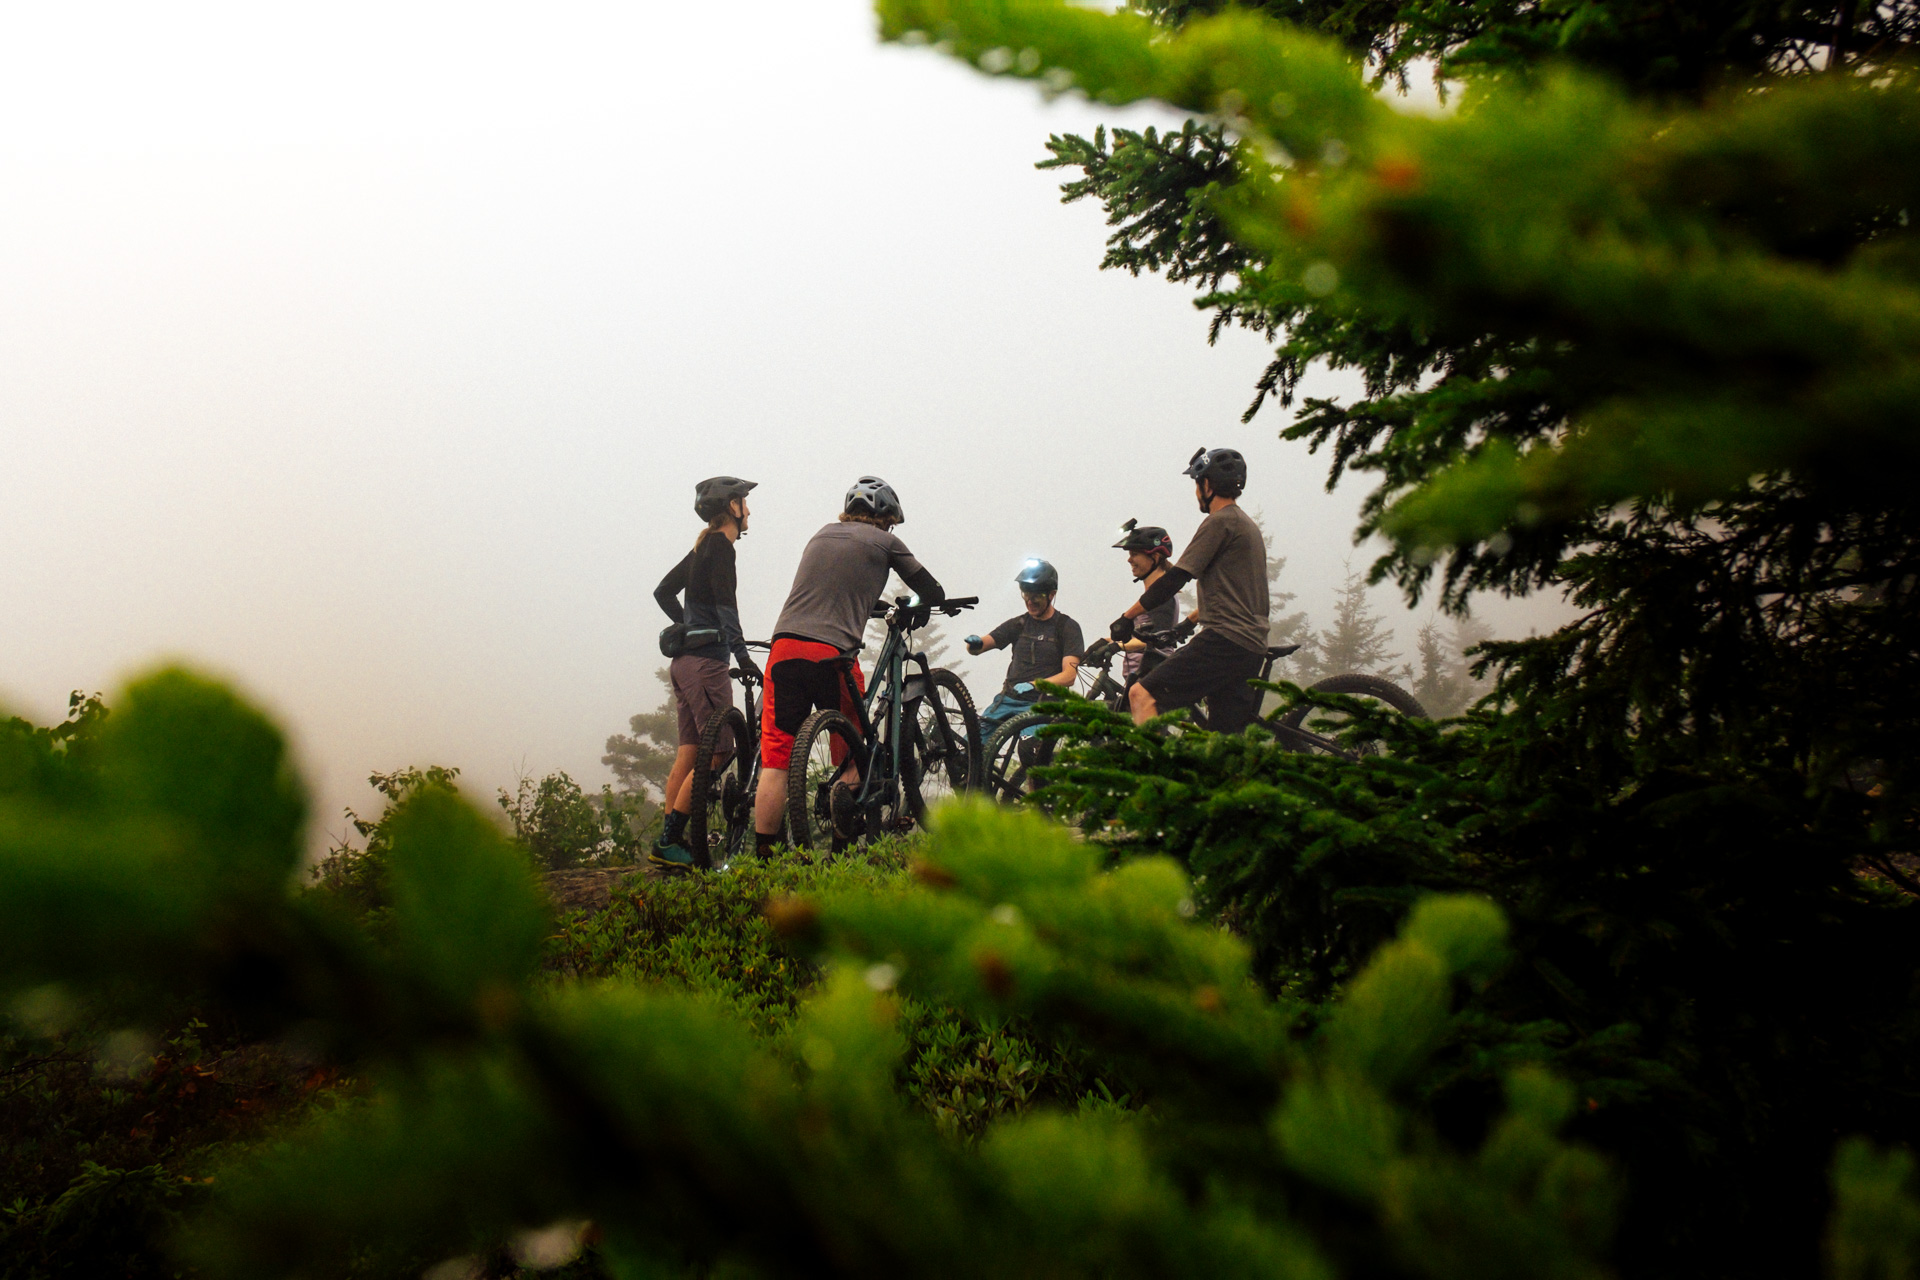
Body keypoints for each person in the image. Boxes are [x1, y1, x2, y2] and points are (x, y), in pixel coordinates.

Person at [751, 476, 945, 856]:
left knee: (776, 760)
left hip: (784, 648)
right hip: (832, 654)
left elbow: (833, 589)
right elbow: (932, 592)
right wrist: (916, 608)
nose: (890, 528)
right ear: (884, 516)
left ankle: (763, 860)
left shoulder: (821, 535)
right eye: (890, 521)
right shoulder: (887, 541)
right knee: (859, 750)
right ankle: (841, 844)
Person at [1110, 448, 1270, 733]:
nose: (1196, 492)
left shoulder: (1219, 522)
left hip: (1224, 641)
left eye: (1197, 484)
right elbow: (1233, 596)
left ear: (1207, 485)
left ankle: (1149, 774)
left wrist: (1126, 617)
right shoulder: (1247, 527)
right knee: (1221, 742)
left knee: (1140, 694)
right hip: (1250, 645)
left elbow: (1176, 578)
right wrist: (1186, 625)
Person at [651, 475, 761, 871]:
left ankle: (671, 842)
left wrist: (687, 628)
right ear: (732, 507)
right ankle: (669, 841)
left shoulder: (701, 547)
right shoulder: (720, 548)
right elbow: (726, 604)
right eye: (744, 502)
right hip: (707, 664)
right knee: (721, 749)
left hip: (682, 664)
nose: (748, 510)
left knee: (691, 751)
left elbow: (663, 590)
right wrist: (742, 655)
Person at [965, 559, 1084, 739]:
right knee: (969, 747)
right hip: (1007, 700)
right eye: (1025, 594)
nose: (1030, 600)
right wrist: (974, 644)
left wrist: (1034, 685)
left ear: (1051, 594)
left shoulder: (1067, 627)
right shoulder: (1019, 624)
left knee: (1030, 751)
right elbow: (983, 645)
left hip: (1043, 704)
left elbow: (1069, 676)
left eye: (1036, 596)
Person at [1110, 520, 1178, 687]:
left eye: (1134, 554)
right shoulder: (1150, 597)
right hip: (1139, 679)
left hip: (1153, 679)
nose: (1129, 560)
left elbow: (1155, 638)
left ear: (1154, 557)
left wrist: (1117, 646)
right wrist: (1105, 643)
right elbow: (1137, 637)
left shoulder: (1163, 597)